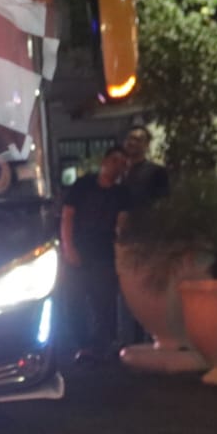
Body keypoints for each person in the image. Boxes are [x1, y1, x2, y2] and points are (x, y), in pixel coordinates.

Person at [61, 146, 132, 361]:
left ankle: (101, 345)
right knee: (75, 299)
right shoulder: (83, 185)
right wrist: (68, 247)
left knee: (104, 301)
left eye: (122, 164)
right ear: (105, 161)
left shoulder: (122, 193)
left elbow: (122, 221)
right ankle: (83, 344)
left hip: (104, 252)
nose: (117, 167)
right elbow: (67, 217)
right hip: (79, 248)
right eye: (114, 161)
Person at [121, 124, 170, 204]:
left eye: (137, 140)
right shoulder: (118, 170)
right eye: (129, 138)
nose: (132, 142)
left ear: (147, 145)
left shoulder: (157, 172)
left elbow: (162, 204)